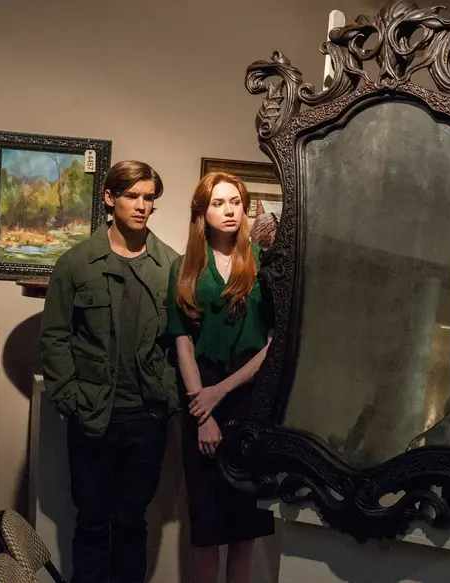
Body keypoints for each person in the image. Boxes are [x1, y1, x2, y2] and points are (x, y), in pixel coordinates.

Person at [39, 160, 180, 583]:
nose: (141, 206)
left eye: (149, 198)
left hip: (147, 418)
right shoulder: (75, 264)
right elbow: (55, 336)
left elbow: (181, 341)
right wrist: (70, 399)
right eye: (132, 196)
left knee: (133, 521)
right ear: (109, 198)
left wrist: (170, 396)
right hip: (94, 416)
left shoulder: (171, 266)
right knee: (92, 521)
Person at [167, 171, 275, 583]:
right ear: (202, 212)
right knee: (207, 526)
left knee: (245, 527)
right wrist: (203, 411)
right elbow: (182, 341)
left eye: (235, 203)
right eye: (218, 203)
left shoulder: (265, 264)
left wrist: (221, 392)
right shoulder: (184, 267)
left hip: (250, 397)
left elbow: (274, 343)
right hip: (200, 394)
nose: (229, 211)